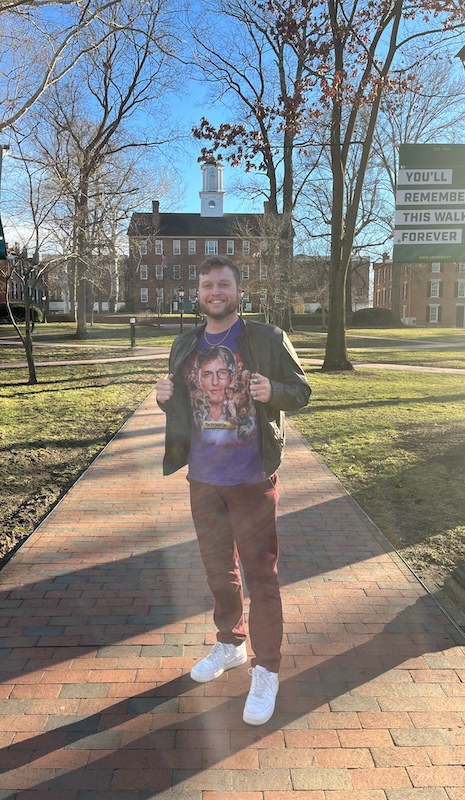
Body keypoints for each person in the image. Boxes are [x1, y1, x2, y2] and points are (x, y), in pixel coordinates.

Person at [156, 255, 311, 726]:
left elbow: (301, 390)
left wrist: (274, 391)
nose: (215, 292)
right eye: (207, 285)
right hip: (203, 480)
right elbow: (189, 407)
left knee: (261, 578)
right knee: (218, 573)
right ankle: (231, 644)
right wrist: (166, 402)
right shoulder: (185, 344)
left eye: (223, 284)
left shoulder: (266, 338)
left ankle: (267, 669)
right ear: (198, 292)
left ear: (239, 291)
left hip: (251, 480)